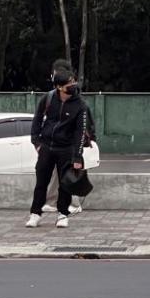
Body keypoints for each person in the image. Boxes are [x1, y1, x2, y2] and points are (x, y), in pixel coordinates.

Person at [26, 66, 89, 228]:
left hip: (66, 149)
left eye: (73, 81)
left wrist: (77, 156)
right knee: (41, 182)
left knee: (65, 184)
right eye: (69, 83)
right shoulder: (47, 99)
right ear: (59, 87)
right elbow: (37, 119)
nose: (73, 85)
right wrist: (36, 142)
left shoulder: (80, 104)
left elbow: (80, 131)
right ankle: (35, 213)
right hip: (46, 147)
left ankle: (63, 214)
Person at [40, 60, 84, 216]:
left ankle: (75, 202)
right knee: (56, 174)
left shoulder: (75, 98)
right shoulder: (52, 97)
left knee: (70, 173)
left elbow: (83, 123)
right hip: (56, 144)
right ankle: (53, 202)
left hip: (70, 143)